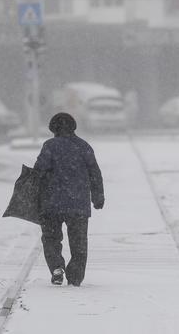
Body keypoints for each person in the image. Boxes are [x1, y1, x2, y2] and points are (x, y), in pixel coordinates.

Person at [33, 112, 104, 286]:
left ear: (53, 129)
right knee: (79, 242)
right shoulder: (83, 146)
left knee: (51, 238)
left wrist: (32, 194)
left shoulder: (49, 146)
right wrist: (98, 196)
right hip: (78, 203)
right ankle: (75, 276)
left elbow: (38, 172)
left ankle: (57, 267)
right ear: (73, 127)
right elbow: (95, 173)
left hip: (51, 203)